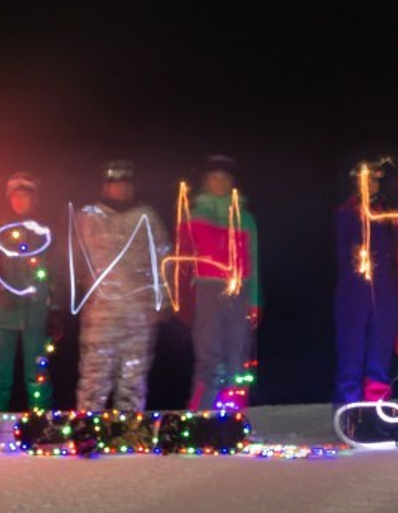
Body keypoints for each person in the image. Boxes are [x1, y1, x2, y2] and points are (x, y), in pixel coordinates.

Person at [71, 158, 171, 414]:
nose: (120, 188)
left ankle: (129, 429)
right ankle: (87, 428)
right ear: (105, 186)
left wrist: (162, 301)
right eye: (114, 183)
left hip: (138, 314)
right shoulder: (89, 217)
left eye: (126, 183)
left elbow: (163, 261)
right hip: (101, 315)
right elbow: (75, 261)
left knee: (133, 377)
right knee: (94, 375)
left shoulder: (147, 217)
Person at [180, 154, 261, 412]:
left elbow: (254, 260)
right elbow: (182, 258)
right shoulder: (195, 215)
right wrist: (183, 299)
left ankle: (234, 417)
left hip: (240, 290)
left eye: (226, 178)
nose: (220, 182)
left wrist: (256, 300)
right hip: (206, 289)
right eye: (215, 177)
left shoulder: (245, 218)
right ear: (206, 181)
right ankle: (201, 415)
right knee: (209, 357)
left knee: (237, 356)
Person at [333, 158, 398, 408]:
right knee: (351, 350)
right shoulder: (344, 213)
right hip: (353, 291)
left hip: (385, 291)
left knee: (380, 352)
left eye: (375, 180)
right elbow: (337, 254)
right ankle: (349, 408)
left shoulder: (392, 217)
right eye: (365, 179)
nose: (370, 184)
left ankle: (376, 409)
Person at [0, 172, 63, 413]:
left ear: (35, 199)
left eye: (24, 195)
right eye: (15, 196)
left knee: (37, 374)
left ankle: (40, 423)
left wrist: (55, 310)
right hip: (3, 314)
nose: (19, 201)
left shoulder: (45, 233)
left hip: (36, 315)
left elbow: (57, 271)